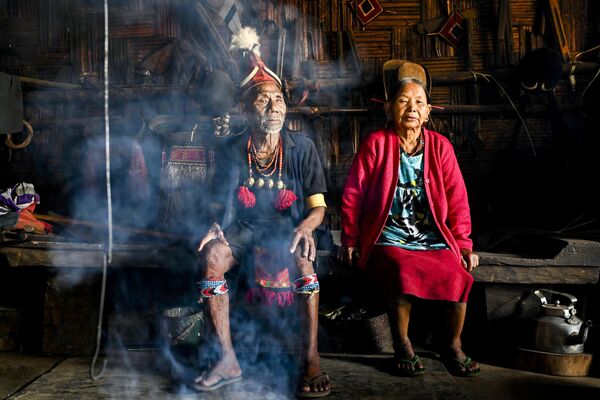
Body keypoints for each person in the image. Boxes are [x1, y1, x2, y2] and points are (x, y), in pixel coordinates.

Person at [193, 27, 332, 397]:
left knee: (304, 263)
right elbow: (217, 206)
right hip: (242, 230)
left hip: (288, 229)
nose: (274, 108)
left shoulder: (301, 148)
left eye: (279, 100)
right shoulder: (231, 150)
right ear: (244, 107)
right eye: (263, 101)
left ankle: (311, 358)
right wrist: (214, 228)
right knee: (210, 257)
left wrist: (306, 227)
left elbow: (318, 208)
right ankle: (227, 360)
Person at [339, 59, 481, 377]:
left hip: (431, 236)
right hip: (387, 234)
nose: (412, 108)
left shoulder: (441, 148)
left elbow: (458, 200)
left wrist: (463, 243)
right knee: (400, 270)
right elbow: (353, 195)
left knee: (459, 275)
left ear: (429, 112)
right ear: (390, 109)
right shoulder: (376, 144)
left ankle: (453, 345)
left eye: (419, 103)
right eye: (403, 101)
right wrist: (349, 238)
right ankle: (402, 345)